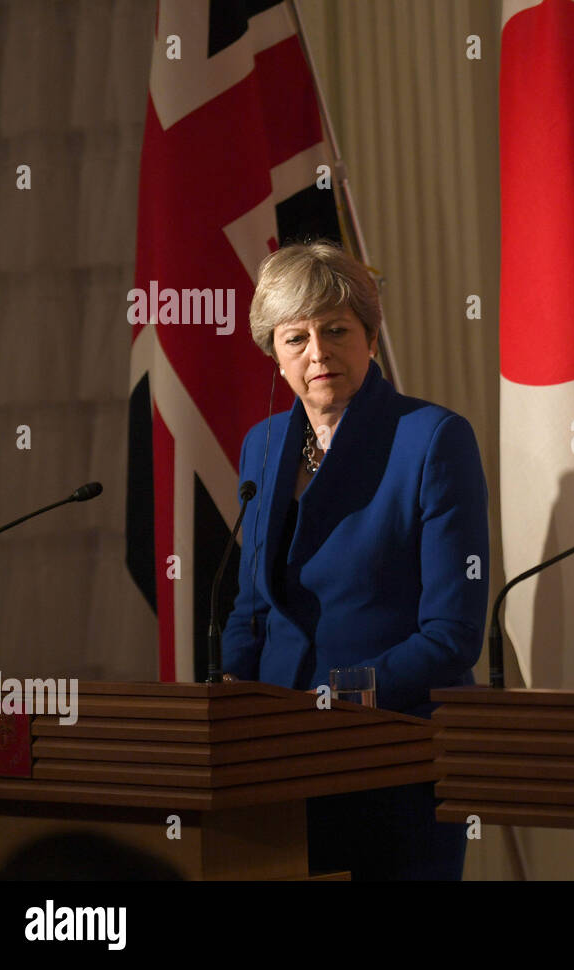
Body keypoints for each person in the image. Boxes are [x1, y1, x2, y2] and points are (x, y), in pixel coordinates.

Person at [220, 241, 489, 880]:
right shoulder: (263, 446)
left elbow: (451, 636)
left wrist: (330, 703)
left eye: (336, 330)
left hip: (392, 757)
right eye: (296, 338)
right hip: (275, 765)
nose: (317, 353)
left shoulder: (432, 440)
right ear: (275, 353)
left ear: (370, 335)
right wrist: (230, 694)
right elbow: (251, 606)